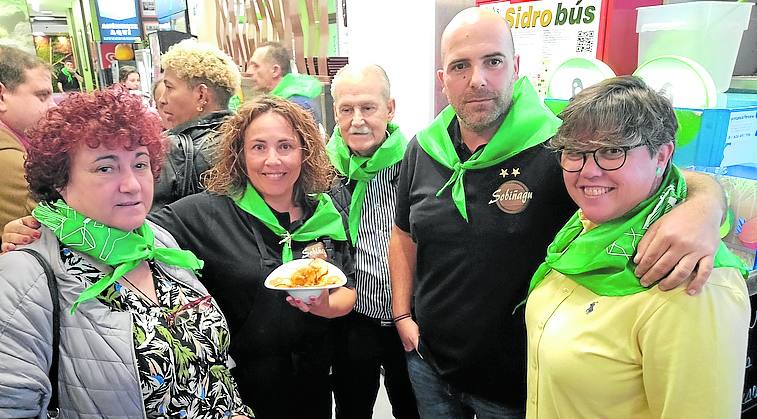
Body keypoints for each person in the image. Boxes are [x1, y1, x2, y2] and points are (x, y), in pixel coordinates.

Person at [389, 7, 728, 418]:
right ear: (442, 80)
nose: (477, 79)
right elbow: (403, 233)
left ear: (515, 67)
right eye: (460, 66)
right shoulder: (423, 148)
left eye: (492, 61)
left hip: (516, 382)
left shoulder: (559, 147)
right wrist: (403, 314)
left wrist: (706, 202)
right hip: (430, 364)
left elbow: (649, 178)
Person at [0, 90, 252, 418]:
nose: (132, 184)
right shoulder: (27, 275)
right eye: (106, 168)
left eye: (140, 164)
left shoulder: (156, 242)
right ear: (60, 180)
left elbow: (206, 363)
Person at [525, 76, 749, 418]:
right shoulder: (587, 228)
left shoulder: (691, 280)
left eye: (612, 150)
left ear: (662, 155)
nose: (589, 171)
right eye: (576, 152)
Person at [326, 64, 420, 419]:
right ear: (335, 112)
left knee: (412, 409)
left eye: (368, 108)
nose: (357, 120)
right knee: (351, 408)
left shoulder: (418, 163)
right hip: (352, 319)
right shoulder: (322, 170)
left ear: (390, 109)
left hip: (408, 317)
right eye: (346, 110)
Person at [153, 39, 241, 210]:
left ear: (201, 95)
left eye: (169, 87)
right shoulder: (250, 140)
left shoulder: (170, 150)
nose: (162, 99)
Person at [0, 45, 56, 231]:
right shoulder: (10, 161)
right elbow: (61, 226)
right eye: (42, 96)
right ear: (1, 97)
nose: (53, 106)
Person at [248, 41, 323, 124]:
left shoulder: (296, 106)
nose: (249, 71)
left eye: (256, 66)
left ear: (275, 70)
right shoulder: (282, 101)